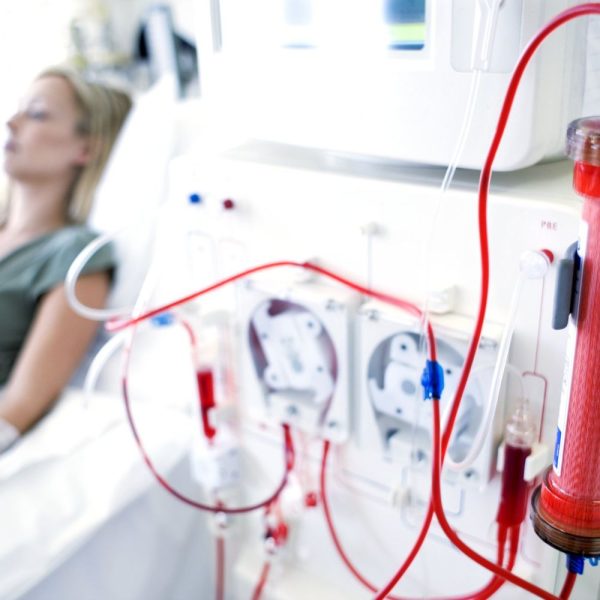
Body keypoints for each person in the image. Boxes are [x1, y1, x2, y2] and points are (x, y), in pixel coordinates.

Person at [0, 67, 132, 452]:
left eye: (37, 113)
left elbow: (16, 410)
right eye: (18, 109)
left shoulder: (74, 255)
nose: (12, 122)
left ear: (85, 149)